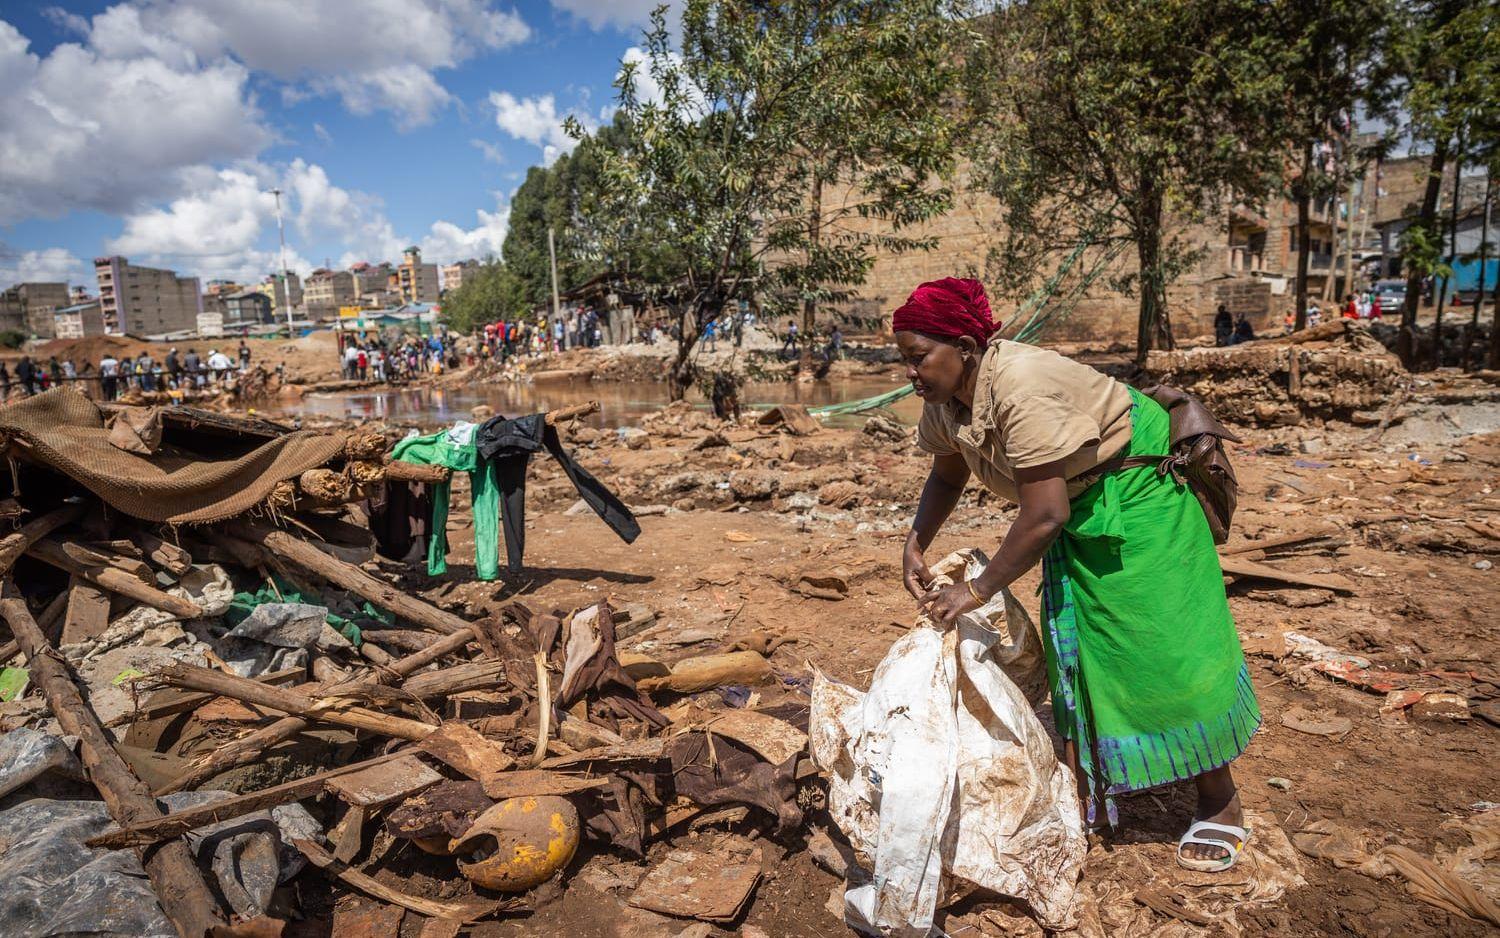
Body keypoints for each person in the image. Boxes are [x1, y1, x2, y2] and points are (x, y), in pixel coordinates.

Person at [895, 277, 1257, 872]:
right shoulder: (946, 399)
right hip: (1079, 496)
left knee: (1159, 642)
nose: (909, 372)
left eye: (918, 358)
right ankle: (1098, 776)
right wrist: (914, 543)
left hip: (1138, 492)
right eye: (903, 360)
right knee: (1080, 642)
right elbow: (947, 474)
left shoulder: (1021, 390)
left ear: (963, 345)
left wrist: (977, 591)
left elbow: (1044, 514)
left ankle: (1219, 798)